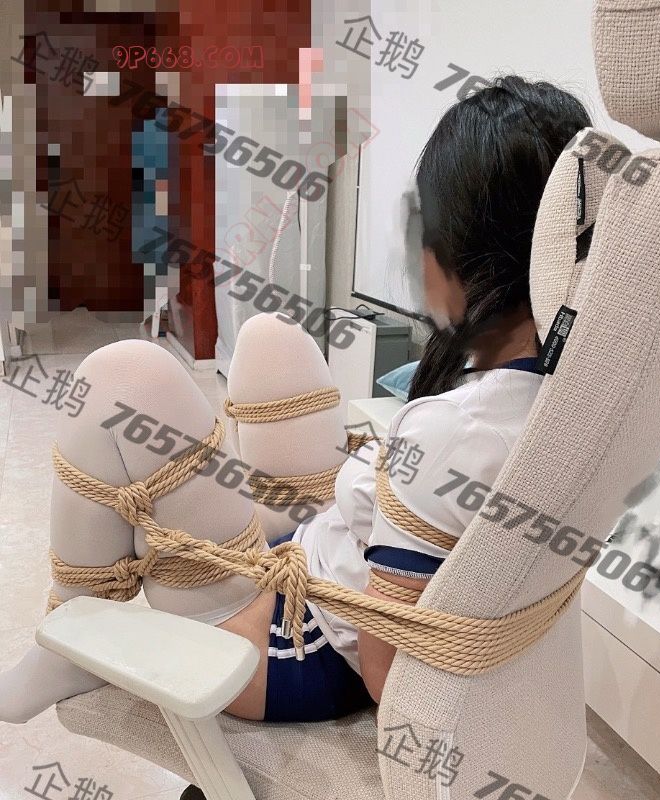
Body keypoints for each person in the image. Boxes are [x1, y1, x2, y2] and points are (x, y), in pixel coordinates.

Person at [0, 75, 589, 726]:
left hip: (291, 645)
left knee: (123, 377)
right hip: (328, 550)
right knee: (270, 336)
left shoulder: (454, 431)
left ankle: (74, 625)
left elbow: (389, 673)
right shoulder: (570, 395)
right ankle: (214, 536)